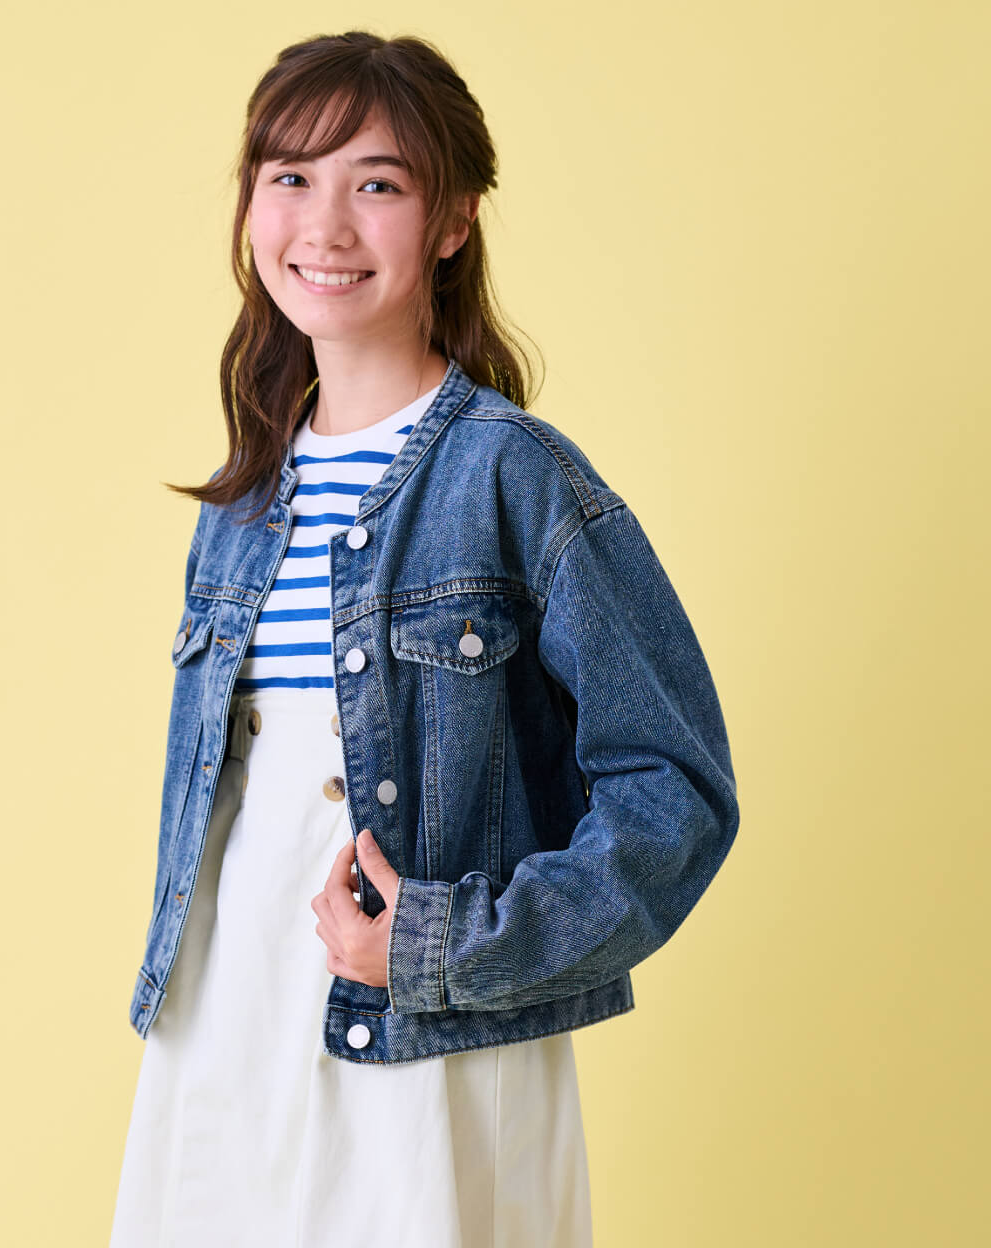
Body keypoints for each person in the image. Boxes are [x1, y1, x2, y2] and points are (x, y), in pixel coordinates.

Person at [109, 30, 740, 1248]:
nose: (326, 225)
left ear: (453, 219)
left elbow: (678, 793)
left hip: (428, 1047)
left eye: (378, 184)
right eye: (291, 177)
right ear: (251, 204)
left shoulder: (518, 479)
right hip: (223, 1027)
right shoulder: (242, 508)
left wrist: (451, 947)